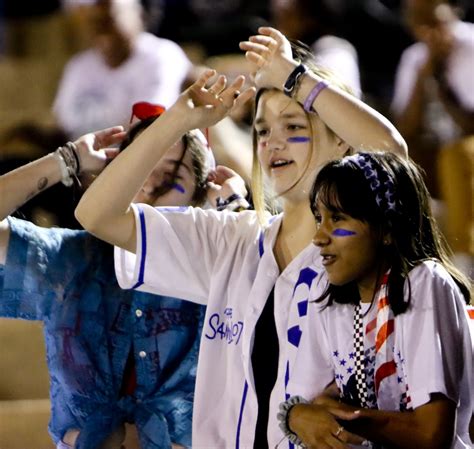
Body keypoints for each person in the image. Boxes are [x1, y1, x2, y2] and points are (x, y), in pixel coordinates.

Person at [75, 27, 407, 448]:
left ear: (341, 139)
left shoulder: (358, 245)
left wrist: (291, 75)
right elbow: (96, 214)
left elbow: (391, 155)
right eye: (263, 131)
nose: (274, 143)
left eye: (292, 125)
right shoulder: (230, 239)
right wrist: (178, 121)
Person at [0, 107, 246, 449]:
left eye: (171, 180)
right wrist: (65, 161)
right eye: (138, 171)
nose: (149, 190)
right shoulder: (70, 259)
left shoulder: (215, 268)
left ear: (199, 199)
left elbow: (271, 290)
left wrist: (234, 213)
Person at [283, 151, 472, 448]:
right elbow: (304, 405)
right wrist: (295, 416)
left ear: (386, 228)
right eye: (319, 219)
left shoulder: (423, 283)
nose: (319, 237)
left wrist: (334, 416)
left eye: (337, 218)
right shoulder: (327, 296)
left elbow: (431, 433)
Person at [391, 0, 474, 277]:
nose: (429, 31)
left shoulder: (471, 44)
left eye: (434, 20)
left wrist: (439, 81)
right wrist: (424, 73)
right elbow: (402, 129)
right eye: (419, 23)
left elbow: (469, 126)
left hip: (466, 151)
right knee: (398, 161)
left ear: (452, 11)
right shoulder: (414, 58)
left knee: (455, 154)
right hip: (436, 157)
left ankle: (465, 262)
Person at [54, 0, 194, 139]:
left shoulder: (162, 54)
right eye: (95, 22)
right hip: (88, 157)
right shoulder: (79, 65)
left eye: (110, 19)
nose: (101, 29)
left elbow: (149, 122)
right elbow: (63, 123)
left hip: (147, 155)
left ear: (138, 15)